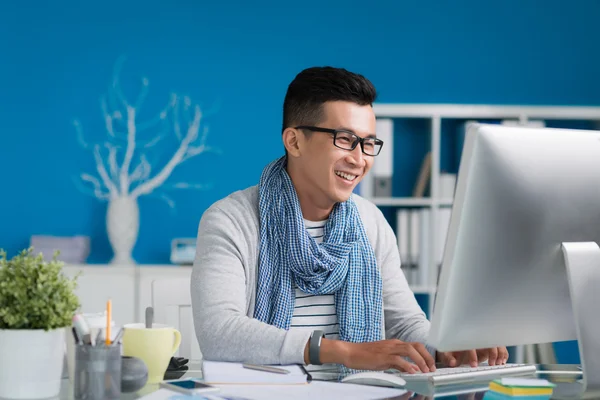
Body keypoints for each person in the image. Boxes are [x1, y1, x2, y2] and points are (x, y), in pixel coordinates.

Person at [190, 66, 508, 373]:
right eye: (344, 138)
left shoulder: (371, 222)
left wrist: (445, 348)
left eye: (368, 143)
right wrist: (345, 352)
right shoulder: (230, 220)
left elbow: (404, 322)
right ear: (294, 141)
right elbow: (219, 332)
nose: (359, 159)